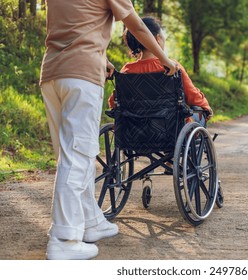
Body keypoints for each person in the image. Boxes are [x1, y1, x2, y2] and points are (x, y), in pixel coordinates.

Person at [39, 0, 178, 260]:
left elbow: (73, 28)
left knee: (69, 155)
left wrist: (103, 58)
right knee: (78, 156)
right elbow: (135, 24)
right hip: (82, 75)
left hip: (52, 73)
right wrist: (164, 59)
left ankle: (91, 220)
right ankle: (64, 239)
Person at [108, 16, 213, 126]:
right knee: (199, 113)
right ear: (157, 39)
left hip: (135, 131)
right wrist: (206, 108)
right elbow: (193, 96)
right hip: (169, 128)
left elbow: (113, 102)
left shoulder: (127, 70)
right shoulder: (172, 67)